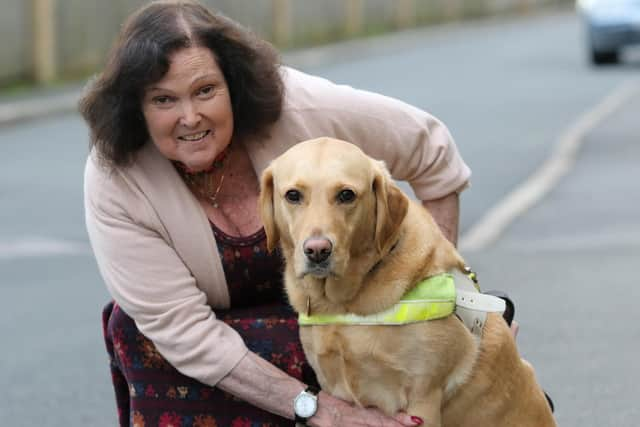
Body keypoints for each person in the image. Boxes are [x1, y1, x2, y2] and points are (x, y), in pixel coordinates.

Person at [80, 1, 471, 425]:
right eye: (163, 99)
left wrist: (446, 299)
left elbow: (431, 150)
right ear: (136, 108)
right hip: (216, 346)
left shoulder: (304, 109)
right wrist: (321, 411)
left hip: (346, 317)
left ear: (234, 84)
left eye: (205, 90)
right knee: (133, 329)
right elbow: (183, 330)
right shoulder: (116, 179)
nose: (189, 117)